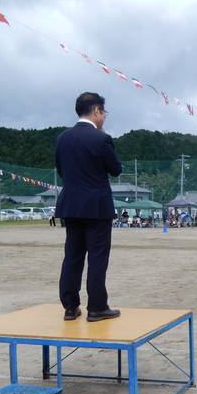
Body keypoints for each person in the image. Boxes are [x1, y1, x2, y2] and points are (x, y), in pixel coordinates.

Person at [55, 92, 121, 322]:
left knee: (72, 256)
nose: (104, 117)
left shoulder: (62, 138)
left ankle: (70, 307)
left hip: (71, 205)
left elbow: (62, 170)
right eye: (104, 112)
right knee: (97, 257)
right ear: (96, 111)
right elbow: (115, 169)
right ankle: (97, 307)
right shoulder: (101, 139)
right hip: (97, 207)